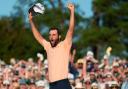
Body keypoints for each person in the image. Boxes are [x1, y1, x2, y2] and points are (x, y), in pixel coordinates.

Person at [28, 2, 75, 89]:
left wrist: (72, 11)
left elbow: (71, 29)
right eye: (50, 35)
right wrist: (31, 21)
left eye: (54, 35)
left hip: (63, 83)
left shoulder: (65, 44)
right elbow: (38, 36)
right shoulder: (48, 46)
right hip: (52, 85)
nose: (51, 37)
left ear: (59, 36)